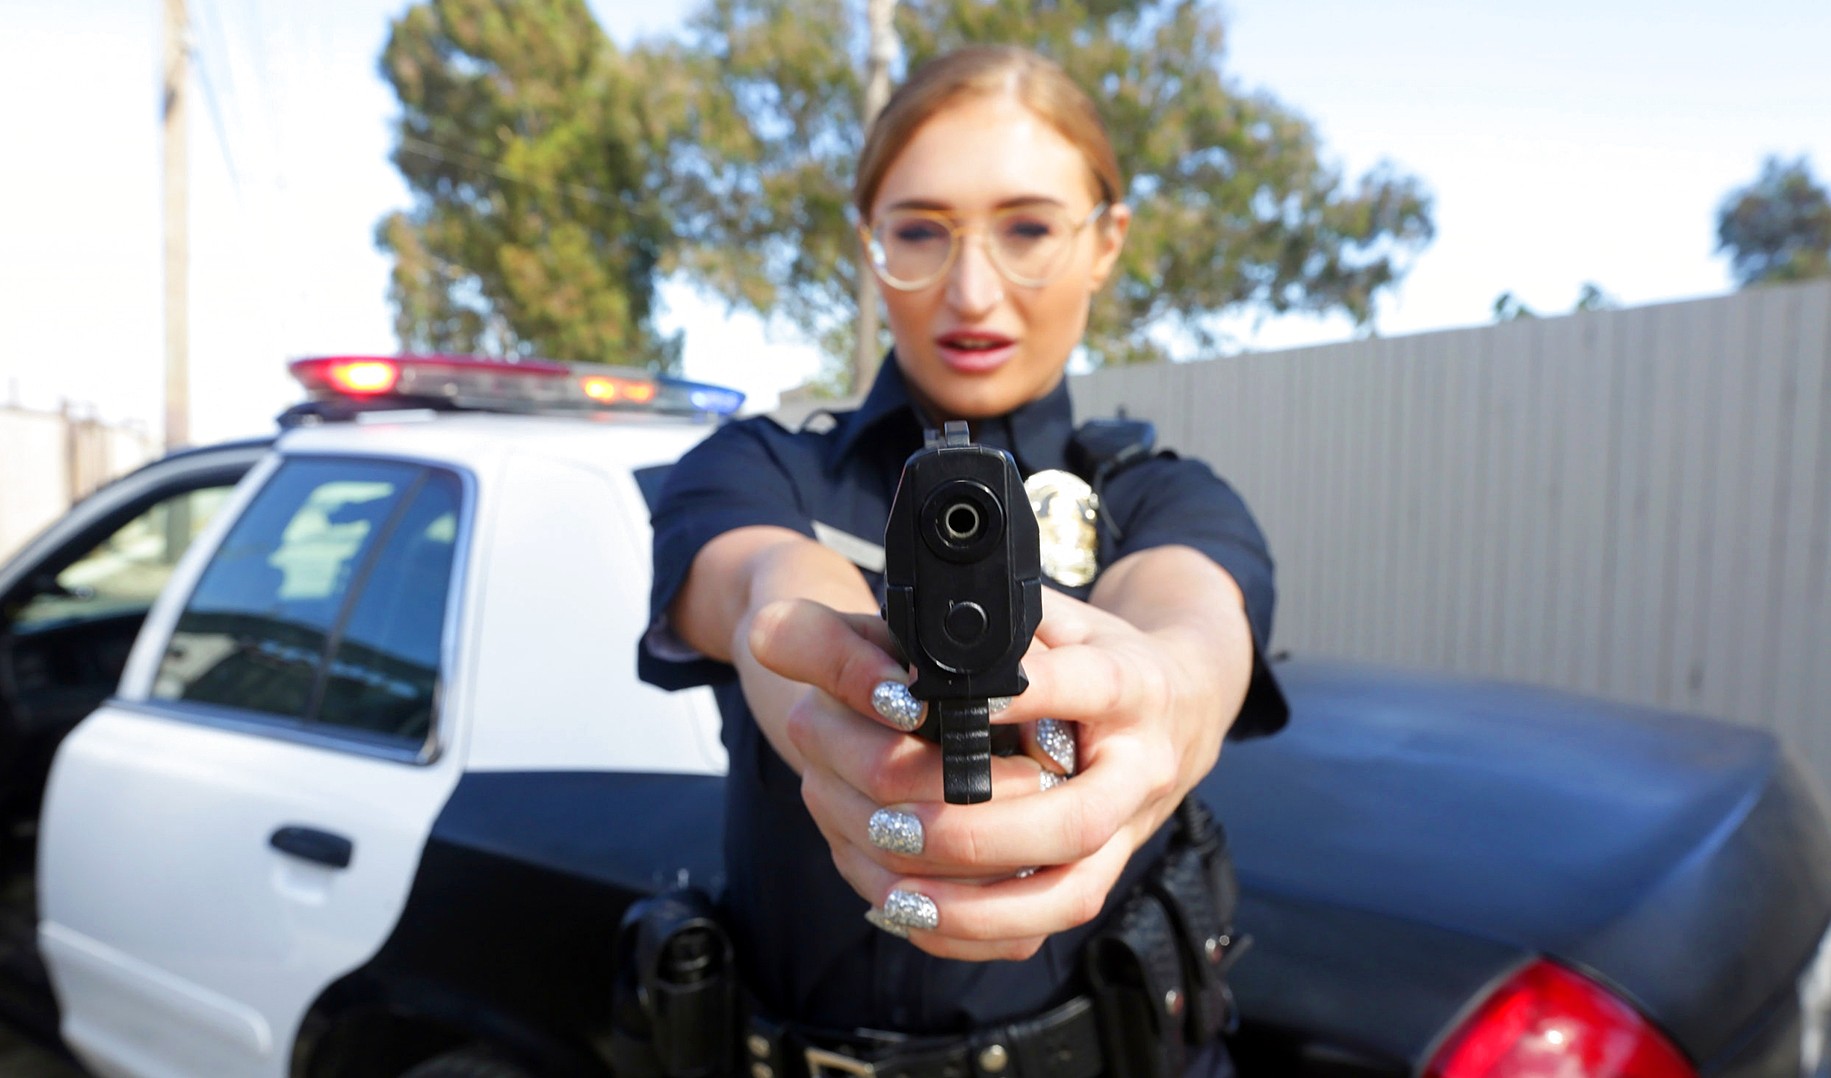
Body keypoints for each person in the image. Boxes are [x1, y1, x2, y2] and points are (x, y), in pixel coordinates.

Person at [640, 44, 1286, 1077]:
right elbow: (764, 579)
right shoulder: (751, 469)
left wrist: (1161, 699)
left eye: (1027, 228)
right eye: (919, 231)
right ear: (869, 242)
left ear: (1106, 241)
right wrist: (830, 666)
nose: (973, 290)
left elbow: (1196, 626)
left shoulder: (1163, 500)